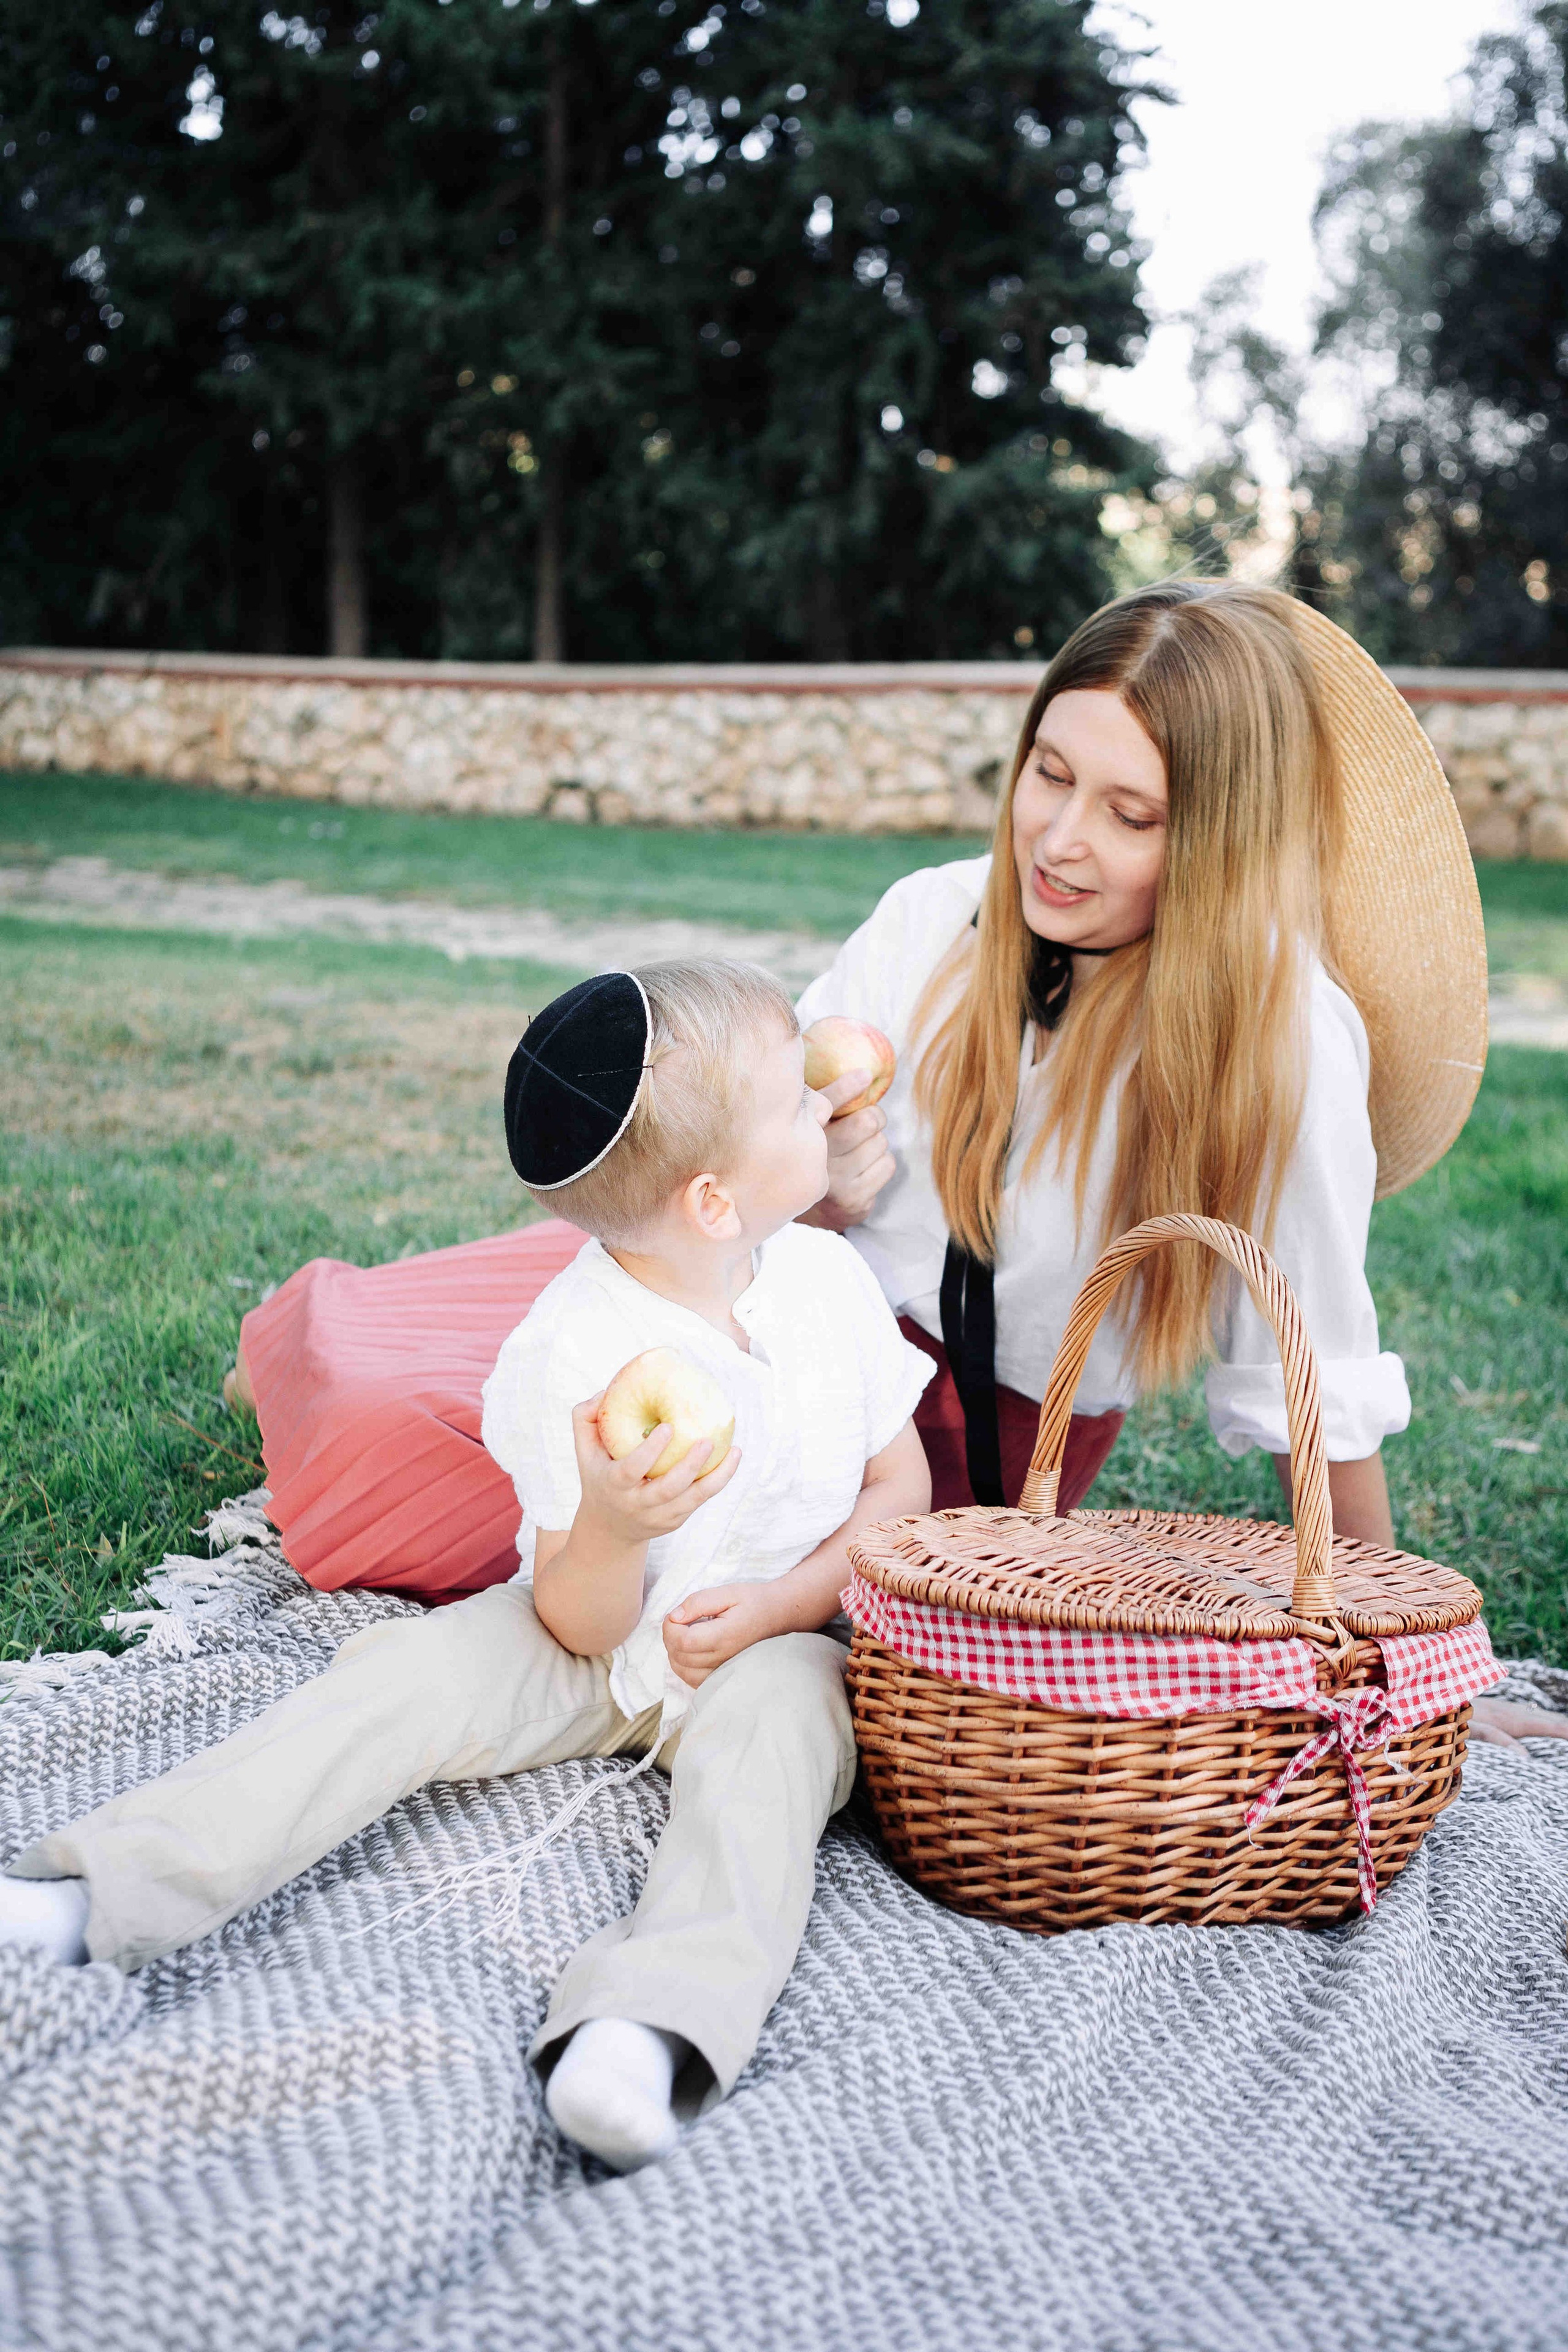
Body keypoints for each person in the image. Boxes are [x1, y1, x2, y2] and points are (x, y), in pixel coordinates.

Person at [0, 960, 935, 2171]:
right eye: (794, 1094)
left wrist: (779, 1607)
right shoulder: (571, 1350)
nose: (825, 1094)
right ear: (712, 1202)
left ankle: (647, 2028)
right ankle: (103, 1892)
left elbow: (894, 1493)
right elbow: (579, 1622)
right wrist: (610, 1522)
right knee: (403, 1678)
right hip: (591, 1642)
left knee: (774, 1758)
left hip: (778, 1643)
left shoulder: (829, 1286)